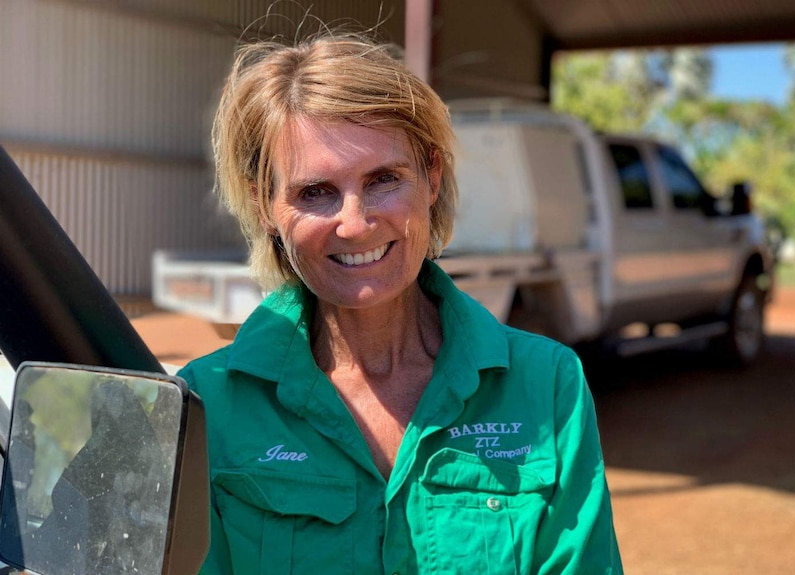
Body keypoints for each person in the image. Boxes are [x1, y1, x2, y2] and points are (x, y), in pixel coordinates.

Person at [178, 31, 623, 575]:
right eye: (314, 191)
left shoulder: (547, 383)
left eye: (384, 179)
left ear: (432, 176)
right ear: (263, 203)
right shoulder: (208, 405)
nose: (356, 222)